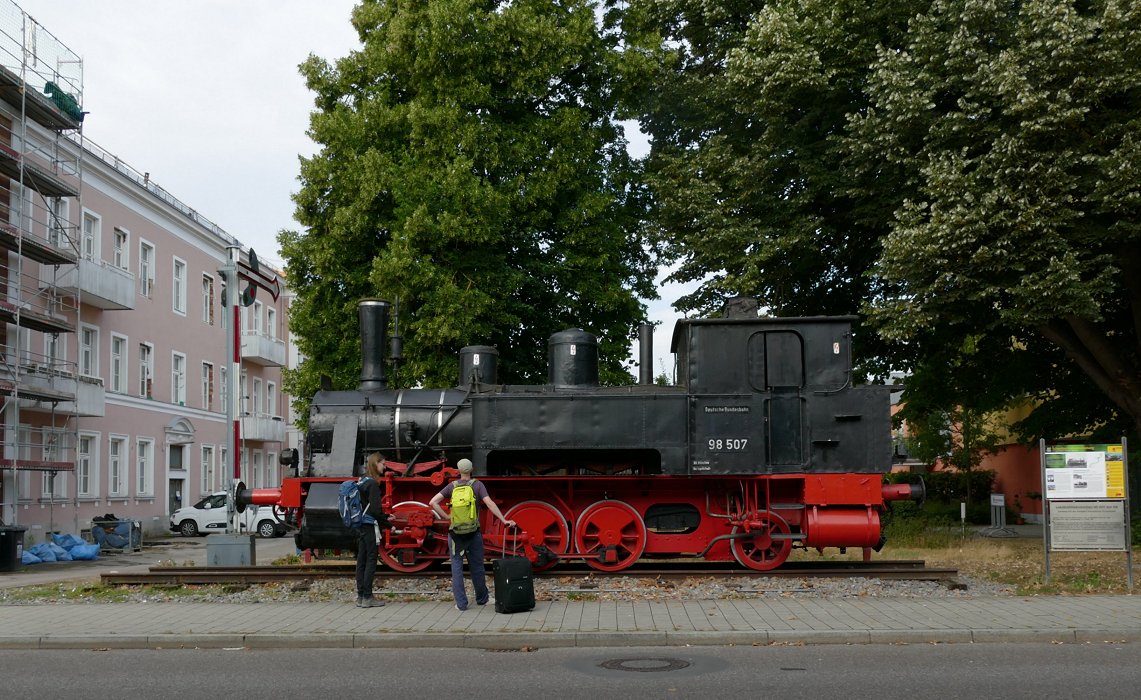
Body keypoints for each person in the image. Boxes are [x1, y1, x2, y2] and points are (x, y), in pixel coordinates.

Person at [429, 458, 515, 611]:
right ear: (472, 469)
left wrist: (446, 517)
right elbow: (489, 503)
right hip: (473, 532)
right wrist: (504, 520)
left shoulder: (451, 486)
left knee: (456, 567)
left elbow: (433, 502)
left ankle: (461, 604)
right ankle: (482, 598)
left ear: (459, 470)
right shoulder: (477, 485)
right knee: (477, 566)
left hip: (455, 534)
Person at [356, 452, 387, 608]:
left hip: (361, 524)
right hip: (369, 526)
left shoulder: (362, 480)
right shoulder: (373, 484)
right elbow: (375, 510)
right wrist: (388, 523)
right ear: (376, 464)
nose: (385, 466)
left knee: (361, 561)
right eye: (383, 464)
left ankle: (360, 596)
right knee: (370, 561)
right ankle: (368, 597)